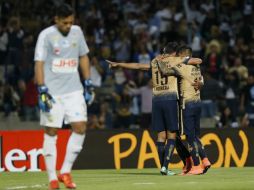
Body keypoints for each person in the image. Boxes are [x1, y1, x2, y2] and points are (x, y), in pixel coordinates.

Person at [107, 42, 202, 175]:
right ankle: (168, 166)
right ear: (174, 53)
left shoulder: (154, 62)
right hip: (170, 100)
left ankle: (165, 167)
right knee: (172, 135)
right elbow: (197, 60)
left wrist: (118, 64)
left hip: (156, 101)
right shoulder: (175, 60)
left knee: (160, 136)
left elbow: (138, 66)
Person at [34, 4, 94, 189]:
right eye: (65, 22)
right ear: (56, 20)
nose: (69, 26)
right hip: (52, 92)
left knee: (80, 127)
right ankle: (52, 177)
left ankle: (65, 172)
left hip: (74, 90)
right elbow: (39, 62)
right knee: (51, 131)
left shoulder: (77, 32)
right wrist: (42, 89)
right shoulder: (46, 35)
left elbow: (83, 56)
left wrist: (88, 82)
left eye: (71, 22)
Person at [159, 45, 211, 175]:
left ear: (182, 55)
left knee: (189, 136)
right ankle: (205, 160)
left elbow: (164, 71)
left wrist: (160, 60)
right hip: (198, 102)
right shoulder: (197, 67)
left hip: (186, 104)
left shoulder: (181, 65)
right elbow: (201, 81)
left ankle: (197, 166)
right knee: (195, 135)